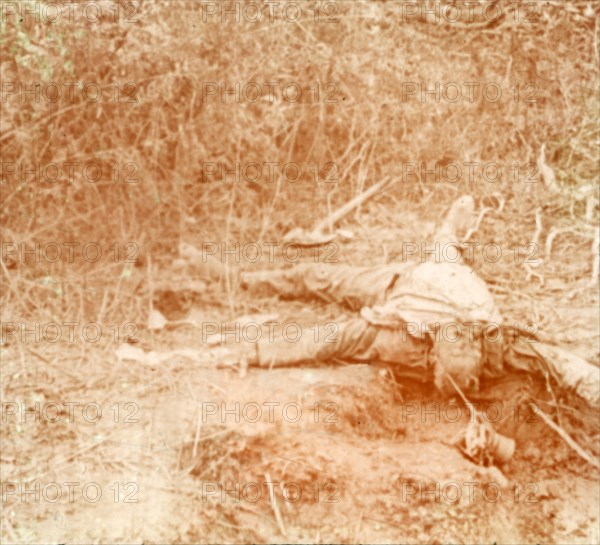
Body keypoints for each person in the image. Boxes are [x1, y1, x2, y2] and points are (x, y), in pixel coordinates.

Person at [207, 196, 599, 405]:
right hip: (404, 283)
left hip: (453, 276)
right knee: (318, 276)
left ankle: (453, 225)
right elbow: (326, 339)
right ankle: (244, 279)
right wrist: (255, 350)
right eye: (439, 362)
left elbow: (563, 364)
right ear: (431, 348)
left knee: (446, 246)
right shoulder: (401, 333)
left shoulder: (496, 347)